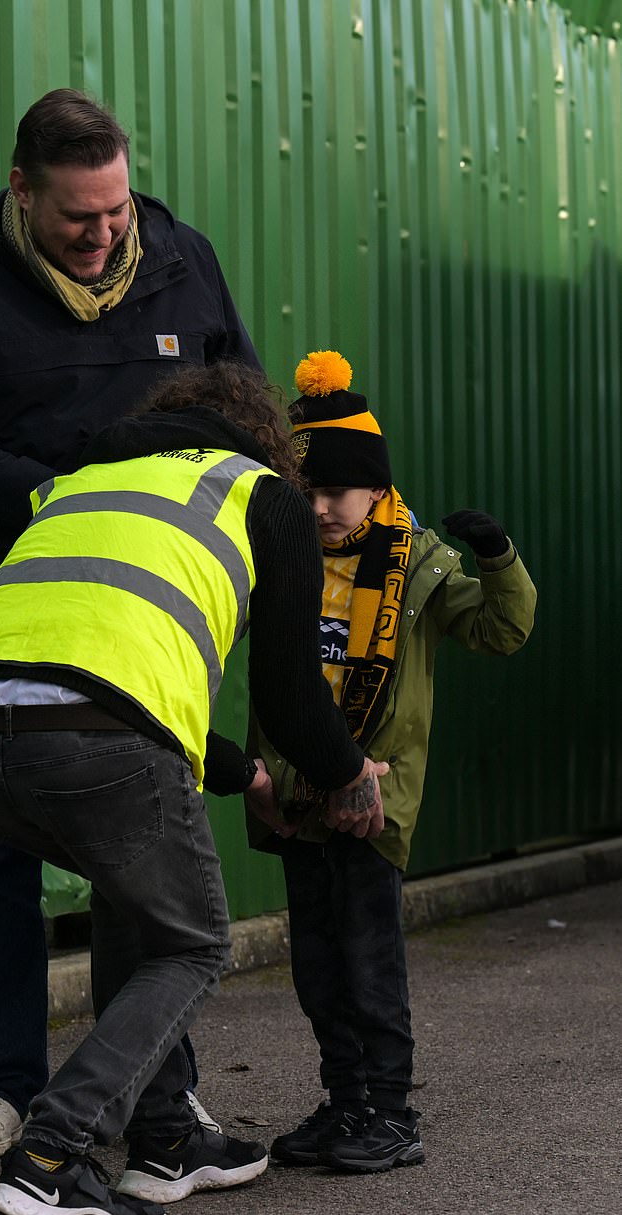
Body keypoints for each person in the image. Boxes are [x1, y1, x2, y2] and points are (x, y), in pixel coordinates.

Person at [0, 88, 263, 1157]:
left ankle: (156, 1093)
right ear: (18, 189)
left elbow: (239, 399)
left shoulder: (177, 254)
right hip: (10, 601)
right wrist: (48, 496)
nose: (102, 237)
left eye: (115, 211)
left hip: (148, 619)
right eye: (75, 218)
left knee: (145, 858)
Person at [0, 361, 389, 1215]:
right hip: (97, 737)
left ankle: (166, 1137)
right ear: (265, 439)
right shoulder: (262, 494)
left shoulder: (75, 486)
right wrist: (346, 773)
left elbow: (86, 654)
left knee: (130, 898)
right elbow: (291, 698)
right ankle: (53, 1157)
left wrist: (241, 775)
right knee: (192, 941)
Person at [248, 350, 537, 1173]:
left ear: (376, 486)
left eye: (336, 489)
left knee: (370, 961)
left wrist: (497, 560)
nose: (320, 506)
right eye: (305, 491)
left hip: (375, 802)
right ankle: (344, 1102)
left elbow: (501, 631)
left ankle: (390, 1111)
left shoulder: (419, 566)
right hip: (299, 800)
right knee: (316, 965)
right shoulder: (284, 560)